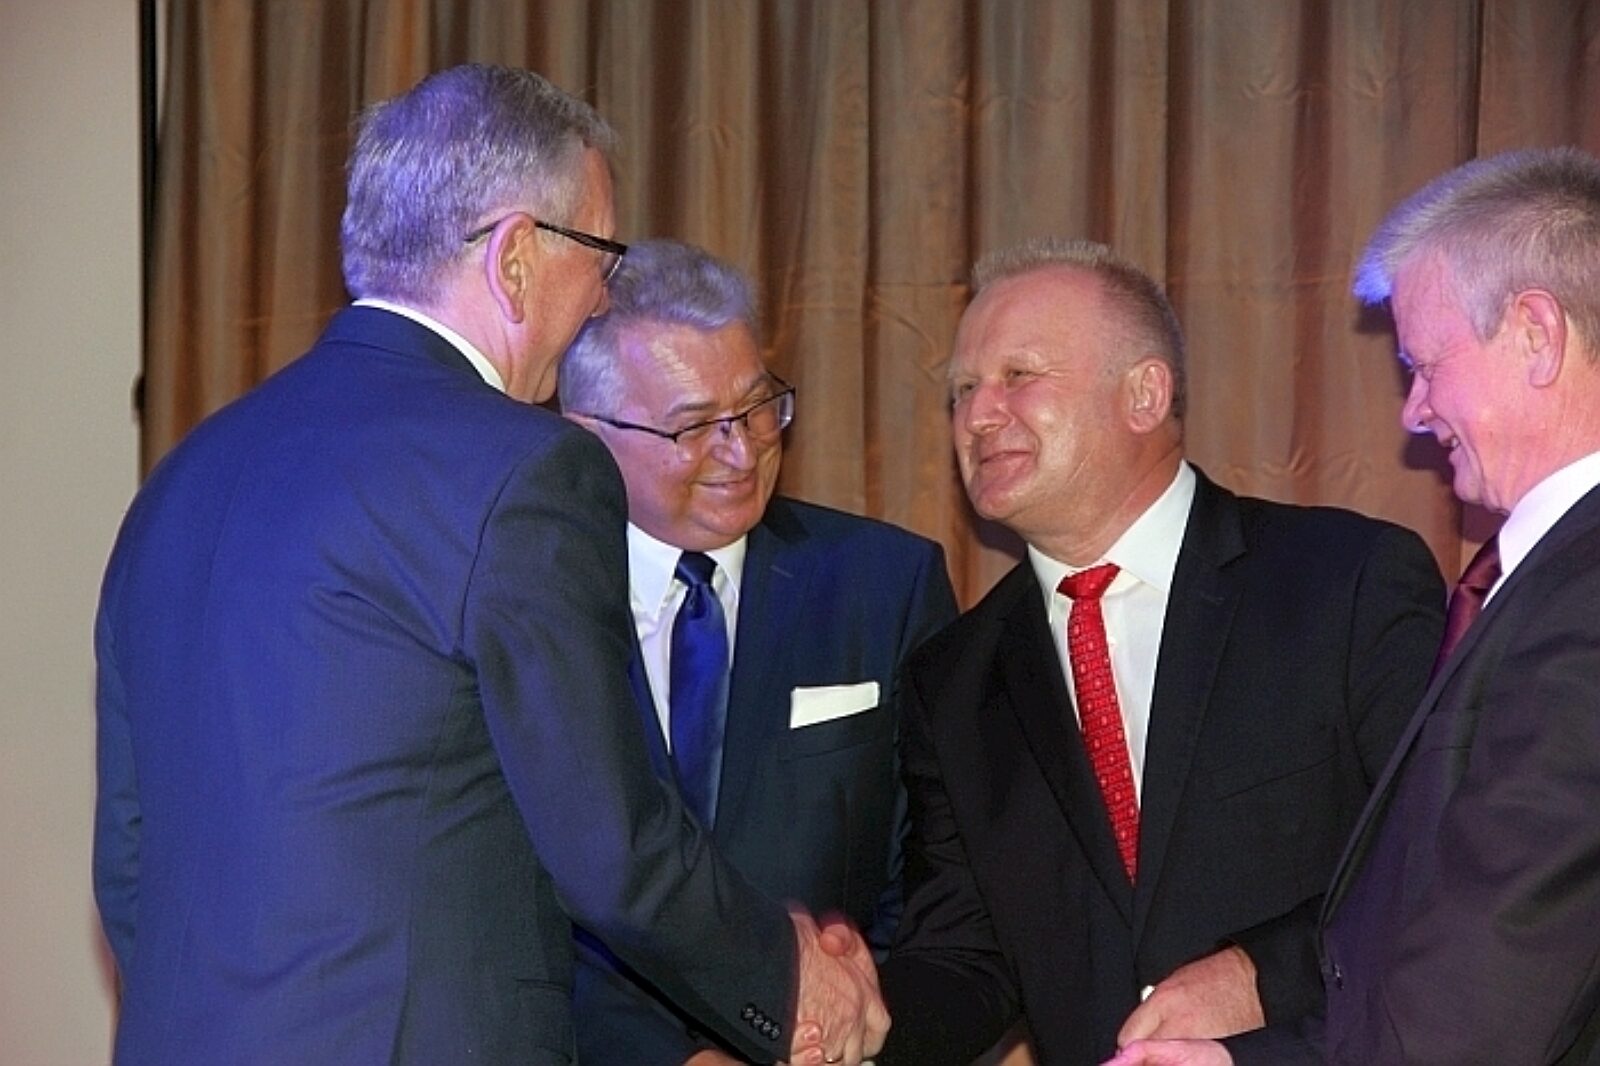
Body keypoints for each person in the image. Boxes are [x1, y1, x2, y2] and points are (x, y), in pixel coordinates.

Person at [92, 64, 884, 1066]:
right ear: (515, 258)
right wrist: (787, 976)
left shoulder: (178, 483)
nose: (603, 296)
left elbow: (129, 861)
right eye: (601, 254)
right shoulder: (525, 469)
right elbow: (608, 841)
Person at [867, 238, 1446, 1066]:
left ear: (1145, 393)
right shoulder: (952, 678)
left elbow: (1433, 861)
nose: (979, 415)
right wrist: (844, 1029)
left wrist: (1263, 975)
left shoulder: (1345, 583)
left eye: (1018, 376)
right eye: (962, 391)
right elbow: (965, 956)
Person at [1110, 147, 1600, 1066]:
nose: (1415, 411)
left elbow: (1482, 1011)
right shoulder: (1549, 582)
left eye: (1425, 364)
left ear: (1536, 334)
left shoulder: (1585, 600)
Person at [556, 239, 960, 1066]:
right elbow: (510, 888)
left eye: (757, 406)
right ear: (587, 437)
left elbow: (941, 871)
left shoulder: (885, 586)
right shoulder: (530, 607)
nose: (742, 452)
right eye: (694, 426)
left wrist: (842, 1016)